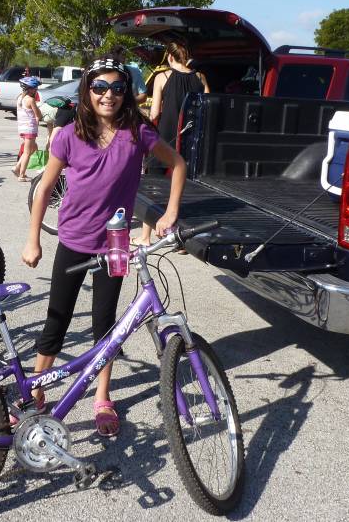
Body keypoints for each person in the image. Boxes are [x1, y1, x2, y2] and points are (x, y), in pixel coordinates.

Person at [21, 56, 186, 437]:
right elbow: (45, 189)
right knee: (56, 319)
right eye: (99, 87)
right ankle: (36, 389)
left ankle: (102, 396)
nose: (108, 95)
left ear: (126, 92)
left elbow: (178, 163)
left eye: (116, 87)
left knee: (105, 325)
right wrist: (33, 240)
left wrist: (170, 212)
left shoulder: (137, 132)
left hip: (113, 245)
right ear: (87, 91)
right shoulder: (68, 134)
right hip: (73, 240)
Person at [134, 41, 210, 245]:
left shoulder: (162, 77)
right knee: (185, 186)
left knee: (154, 186)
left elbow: (155, 111)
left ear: (169, 57)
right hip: (191, 138)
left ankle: (145, 237)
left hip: (165, 136)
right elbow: (209, 107)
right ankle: (185, 239)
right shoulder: (200, 77)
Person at [12, 76, 43, 182]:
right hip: (30, 129)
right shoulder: (31, 100)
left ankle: (16, 168)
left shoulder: (20, 98)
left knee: (34, 148)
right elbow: (38, 114)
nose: (36, 90)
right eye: (35, 88)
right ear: (30, 89)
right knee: (27, 152)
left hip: (22, 128)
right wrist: (39, 113)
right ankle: (21, 174)